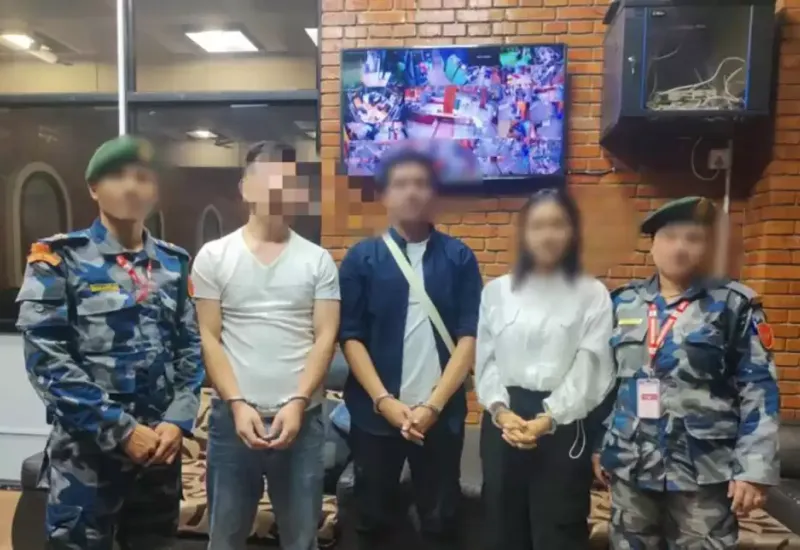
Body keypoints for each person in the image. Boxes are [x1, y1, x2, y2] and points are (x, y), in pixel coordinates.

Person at [15, 135, 205, 550]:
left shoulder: (173, 264)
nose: (131, 187)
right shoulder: (59, 260)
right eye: (117, 176)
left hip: (159, 455)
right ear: (93, 188)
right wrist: (120, 430)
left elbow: (190, 350)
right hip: (87, 458)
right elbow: (46, 361)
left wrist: (177, 420)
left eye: (142, 177)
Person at [593, 196, 781, 549]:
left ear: (705, 248)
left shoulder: (733, 305)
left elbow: (759, 388)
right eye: (669, 237)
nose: (679, 248)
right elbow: (605, 386)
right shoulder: (623, 303)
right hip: (632, 465)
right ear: (652, 245)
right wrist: (599, 446)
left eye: (692, 239)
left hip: (703, 471)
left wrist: (754, 469)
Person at [192, 142, 340, 550]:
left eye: (288, 181)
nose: (278, 188)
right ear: (245, 188)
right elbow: (209, 336)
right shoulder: (214, 256)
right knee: (224, 538)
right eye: (268, 177)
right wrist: (238, 404)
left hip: (302, 421)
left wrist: (298, 402)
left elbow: (325, 337)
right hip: (232, 421)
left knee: (301, 540)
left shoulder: (318, 260)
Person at [338, 148, 483, 550]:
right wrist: (383, 401)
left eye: (421, 184)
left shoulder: (458, 257)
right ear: (385, 194)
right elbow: (350, 336)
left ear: (433, 194)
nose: (412, 192)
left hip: (440, 418)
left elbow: (469, 336)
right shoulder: (362, 259)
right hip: (375, 417)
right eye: (401, 184)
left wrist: (433, 406)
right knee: (371, 521)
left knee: (441, 521)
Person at [475, 188, 615, 550]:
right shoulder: (497, 292)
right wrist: (500, 411)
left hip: (564, 424)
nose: (547, 235)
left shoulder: (592, 294)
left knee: (558, 530)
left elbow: (592, 366)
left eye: (558, 225)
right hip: (504, 422)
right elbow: (486, 360)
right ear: (524, 233)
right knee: (502, 527)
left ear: (572, 232)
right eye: (537, 226)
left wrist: (548, 418)